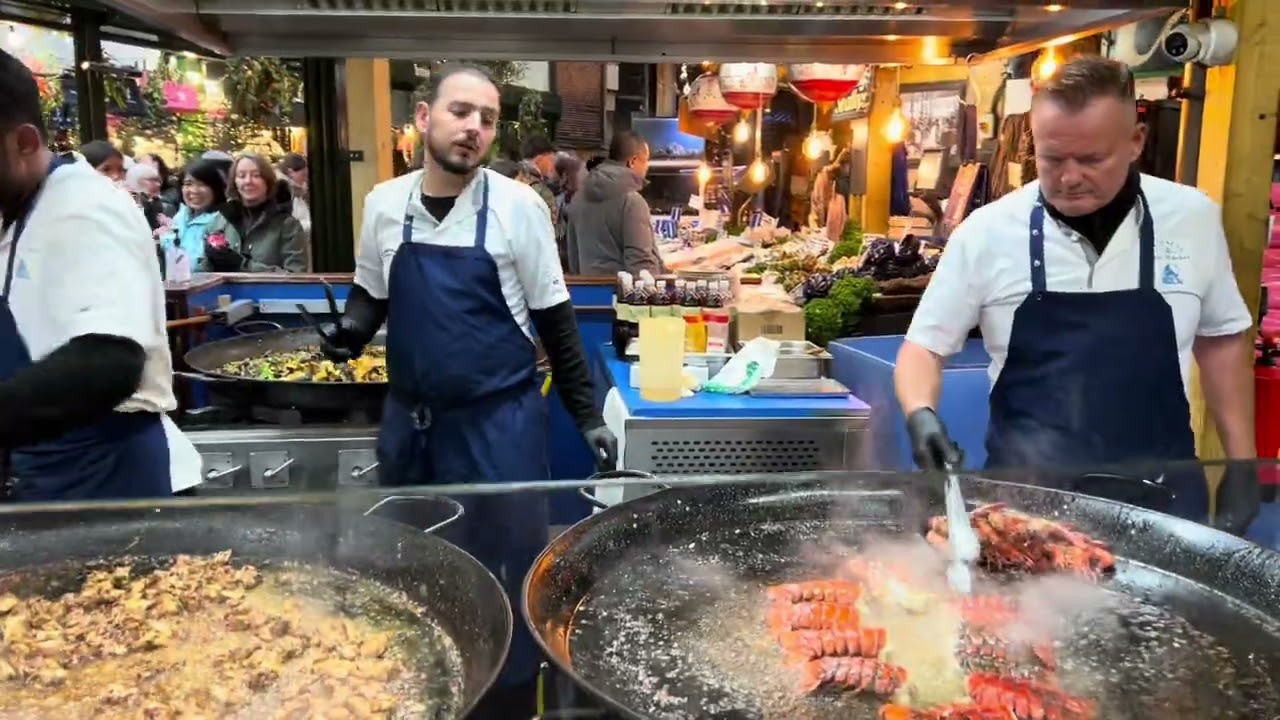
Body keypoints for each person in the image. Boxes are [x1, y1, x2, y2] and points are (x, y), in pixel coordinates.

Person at [315, 64, 617, 715]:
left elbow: (557, 326)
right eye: (460, 111)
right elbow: (373, 294)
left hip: (496, 430)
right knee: (414, 572)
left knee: (504, 575)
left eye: (486, 117)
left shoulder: (518, 209)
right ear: (423, 119)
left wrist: (587, 418)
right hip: (410, 428)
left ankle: (505, 704)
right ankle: (423, 694)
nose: (473, 128)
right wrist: (349, 332)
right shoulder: (382, 206)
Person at [894, 55, 1258, 534]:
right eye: (1052, 158)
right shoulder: (987, 232)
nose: (1068, 177)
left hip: (1163, 498)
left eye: (1090, 159)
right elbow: (923, 348)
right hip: (1027, 504)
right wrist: (921, 415)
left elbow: (1221, 338)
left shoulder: (1192, 218)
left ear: (1135, 143)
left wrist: (1242, 463)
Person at [0, 49, 201, 500]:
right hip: (48, 473)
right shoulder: (20, 209)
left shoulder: (83, 210)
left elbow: (108, 362)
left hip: (110, 481)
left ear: (25, 142)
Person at [565, 130, 663, 276]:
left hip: (587, 291)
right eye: (646, 160)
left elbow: (573, 257)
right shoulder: (632, 202)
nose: (647, 166)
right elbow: (641, 265)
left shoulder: (578, 197)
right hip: (621, 294)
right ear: (633, 161)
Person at [199, 153, 308, 273]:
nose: (248, 181)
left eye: (256, 176)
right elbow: (204, 273)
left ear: (267, 181)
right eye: (241, 176)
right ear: (234, 182)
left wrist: (243, 265)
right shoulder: (220, 221)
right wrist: (209, 261)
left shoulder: (288, 226)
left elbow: (296, 279)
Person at [160, 158, 228, 267]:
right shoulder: (181, 215)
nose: (194, 190)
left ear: (215, 189)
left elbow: (196, 265)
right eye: (188, 184)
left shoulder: (222, 221)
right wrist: (162, 238)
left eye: (202, 184)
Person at [519, 133, 558, 222]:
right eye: (551, 160)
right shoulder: (542, 192)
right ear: (539, 160)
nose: (553, 165)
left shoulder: (509, 179)